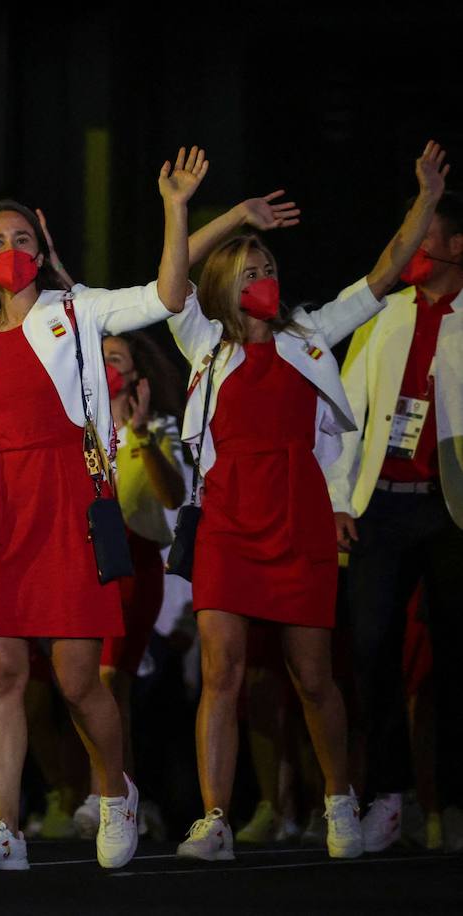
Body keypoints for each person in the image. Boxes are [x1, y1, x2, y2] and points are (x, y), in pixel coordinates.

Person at [167, 141, 447, 862]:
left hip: (298, 523)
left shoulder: (309, 337)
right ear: (226, 285)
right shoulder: (205, 344)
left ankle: (338, 801)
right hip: (227, 525)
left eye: (270, 269)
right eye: (250, 272)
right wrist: (220, 215)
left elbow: (385, 272)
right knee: (222, 674)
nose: (265, 280)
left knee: (314, 677)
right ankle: (215, 819)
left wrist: (426, 201)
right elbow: (173, 275)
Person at [0, 146, 207, 871]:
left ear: (42, 248)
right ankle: (5, 829)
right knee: (1, 677)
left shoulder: (77, 310)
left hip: (67, 502)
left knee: (79, 680)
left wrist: (175, 209)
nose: (10, 250)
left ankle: (115, 794)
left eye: (22, 238)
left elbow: (166, 296)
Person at [327, 181, 463, 853]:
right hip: (380, 506)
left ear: (457, 245)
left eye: (425, 236)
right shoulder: (384, 313)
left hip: (451, 510)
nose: (412, 250)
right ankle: (390, 793)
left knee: (453, 659)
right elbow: (345, 407)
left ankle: (453, 803)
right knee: (370, 647)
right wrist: (338, 498)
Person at [72, 331, 185, 840]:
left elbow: (172, 494)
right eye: (100, 359)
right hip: (86, 565)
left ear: (136, 373)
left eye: (115, 359)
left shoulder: (158, 428)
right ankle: (118, 794)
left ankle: (108, 796)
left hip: (135, 564)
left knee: (111, 682)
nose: (107, 367)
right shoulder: (81, 429)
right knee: (85, 685)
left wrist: (139, 434)